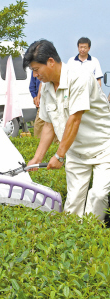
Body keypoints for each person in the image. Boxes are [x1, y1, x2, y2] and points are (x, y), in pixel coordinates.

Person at [23, 39, 110, 221]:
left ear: (51, 62)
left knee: (99, 196)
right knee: (73, 207)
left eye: (36, 70)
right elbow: (49, 125)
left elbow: (74, 119)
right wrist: (37, 158)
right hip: (76, 152)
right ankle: (77, 241)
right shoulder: (46, 87)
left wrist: (59, 155)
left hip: (103, 147)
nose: (36, 75)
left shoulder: (80, 77)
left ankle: (92, 235)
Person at [29, 73, 43, 138]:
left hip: (47, 99)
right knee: (38, 124)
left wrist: (38, 97)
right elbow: (32, 86)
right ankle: (38, 142)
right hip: (41, 102)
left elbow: (42, 84)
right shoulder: (34, 70)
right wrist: (35, 97)